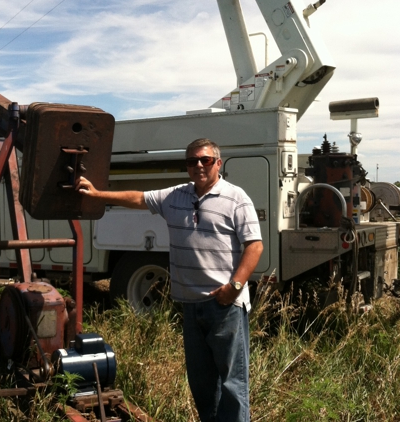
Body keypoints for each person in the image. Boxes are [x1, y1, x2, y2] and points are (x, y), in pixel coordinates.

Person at [75, 138, 263, 421]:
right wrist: (97, 194)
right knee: (201, 382)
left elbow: (254, 245)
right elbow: (138, 198)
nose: (198, 165)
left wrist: (234, 288)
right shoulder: (176, 196)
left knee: (232, 383)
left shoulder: (236, 198)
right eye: (192, 161)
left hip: (224, 306)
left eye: (205, 160)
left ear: (218, 163)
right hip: (190, 305)